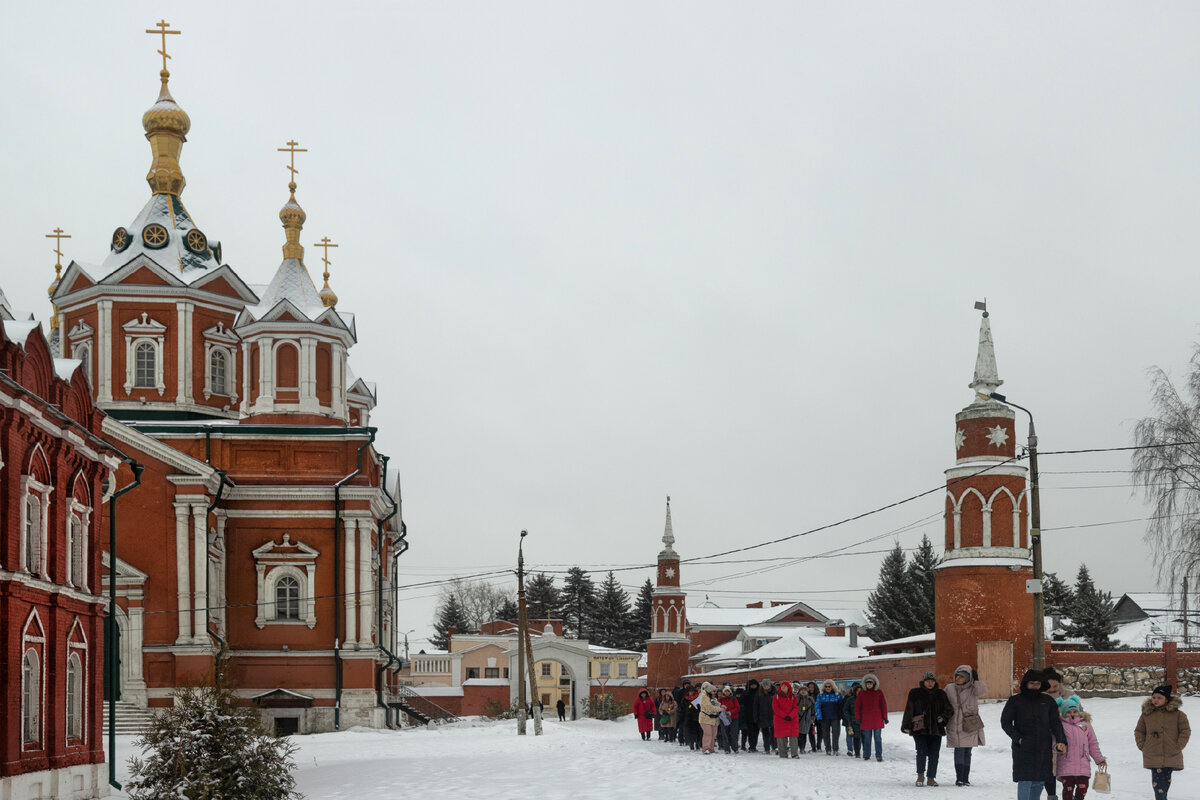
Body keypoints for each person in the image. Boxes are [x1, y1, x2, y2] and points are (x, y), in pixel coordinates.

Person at [1001, 670, 1067, 800]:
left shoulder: (1048, 701)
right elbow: (1005, 722)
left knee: (1039, 780)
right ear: (1026, 683)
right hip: (1023, 747)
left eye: (1038, 684)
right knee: (1025, 779)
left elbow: (1056, 723)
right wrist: (1018, 738)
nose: (1035, 686)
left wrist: (1061, 740)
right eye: (1032, 683)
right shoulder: (1015, 700)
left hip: (1043, 746)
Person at [1134, 684, 1191, 800]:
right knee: (1158, 785)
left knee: (1165, 783)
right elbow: (1139, 731)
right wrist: (1143, 746)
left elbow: (1185, 731)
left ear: (1166, 699)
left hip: (1171, 753)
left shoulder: (1178, 715)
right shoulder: (1146, 714)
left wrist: (1178, 746)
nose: (1155, 700)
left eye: (1159, 698)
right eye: (1154, 697)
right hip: (1152, 753)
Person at [902, 671, 952, 787]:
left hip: (936, 730)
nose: (930, 683)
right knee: (921, 752)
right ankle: (920, 776)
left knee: (934, 754)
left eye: (932, 681)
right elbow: (909, 710)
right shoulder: (915, 693)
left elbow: (949, 710)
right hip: (920, 729)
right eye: (928, 681)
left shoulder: (941, 694)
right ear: (923, 682)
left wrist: (942, 718)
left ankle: (931, 778)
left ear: (935, 682)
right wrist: (906, 726)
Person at [1055, 696, 1105, 800]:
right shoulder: (1060, 725)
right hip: (1066, 765)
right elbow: (1054, 741)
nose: (1072, 714)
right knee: (1067, 790)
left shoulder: (1086, 725)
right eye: (1068, 712)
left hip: (1083, 765)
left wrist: (1099, 759)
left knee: (1083, 789)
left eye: (1074, 711)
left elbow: (1093, 744)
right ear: (1063, 713)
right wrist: (1058, 747)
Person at [945, 664, 988, 787]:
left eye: (962, 677)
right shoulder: (949, 688)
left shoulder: (973, 688)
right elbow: (943, 702)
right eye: (957, 676)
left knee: (968, 752)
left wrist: (977, 680)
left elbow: (982, 692)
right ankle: (959, 778)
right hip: (955, 724)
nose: (958, 678)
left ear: (968, 678)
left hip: (970, 724)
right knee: (959, 751)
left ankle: (966, 778)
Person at [1042, 667, 1071, 800]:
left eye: (1056, 685)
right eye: (1049, 686)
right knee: (1050, 768)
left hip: (1069, 737)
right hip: (1047, 738)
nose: (1053, 689)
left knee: (1069, 768)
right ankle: (1051, 795)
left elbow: (1079, 714)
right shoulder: (1039, 698)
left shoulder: (1069, 695)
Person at [856, 673, 888, 762]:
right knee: (867, 739)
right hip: (866, 720)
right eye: (867, 683)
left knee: (878, 739)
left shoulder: (879, 692)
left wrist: (885, 717)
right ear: (865, 684)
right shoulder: (861, 693)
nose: (869, 685)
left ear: (874, 684)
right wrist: (858, 717)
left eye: (871, 683)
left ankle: (879, 755)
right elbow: (857, 706)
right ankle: (866, 754)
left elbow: (883, 705)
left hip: (877, 719)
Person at [773, 681, 801, 758]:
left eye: (785, 686)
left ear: (788, 688)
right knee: (781, 738)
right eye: (782, 686)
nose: (783, 688)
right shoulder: (776, 697)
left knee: (793, 738)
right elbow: (775, 708)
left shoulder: (793, 697)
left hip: (792, 720)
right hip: (780, 720)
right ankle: (783, 754)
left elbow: (796, 708)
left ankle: (794, 754)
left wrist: (791, 716)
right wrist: (784, 716)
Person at [816, 679, 844, 755]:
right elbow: (817, 706)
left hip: (835, 717)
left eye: (829, 686)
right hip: (824, 718)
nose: (827, 688)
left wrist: (841, 715)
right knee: (825, 734)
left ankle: (835, 749)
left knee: (836, 733)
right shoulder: (820, 695)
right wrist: (819, 716)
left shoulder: (837, 695)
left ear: (832, 687)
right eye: (826, 686)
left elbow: (841, 706)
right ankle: (828, 749)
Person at [699, 681, 724, 754]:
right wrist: (720, 709)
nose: (715, 692)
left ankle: (711, 748)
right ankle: (705, 748)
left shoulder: (712, 697)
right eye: (713, 691)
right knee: (708, 733)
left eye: (715, 691)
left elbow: (716, 703)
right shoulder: (704, 697)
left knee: (713, 734)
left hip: (714, 719)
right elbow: (709, 707)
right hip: (705, 718)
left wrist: (721, 706)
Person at [755, 679, 777, 754]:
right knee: (765, 734)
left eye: (767, 685)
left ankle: (775, 747)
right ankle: (766, 748)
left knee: (774, 733)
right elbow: (756, 706)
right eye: (764, 686)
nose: (766, 687)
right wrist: (756, 717)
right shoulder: (759, 694)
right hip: (763, 716)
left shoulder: (775, 693)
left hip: (773, 716)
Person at [842, 683, 863, 758]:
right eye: (857, 690)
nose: (858, 692)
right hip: (851, 721)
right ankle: (851, 750)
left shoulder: (864, 699)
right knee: (851, 736)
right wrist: (849, 718)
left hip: (862, 721)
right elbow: (845, 709)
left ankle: (858, 752)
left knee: (860, 737)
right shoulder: (849, 698)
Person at [795, 683, 817, 754]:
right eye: (802, 690)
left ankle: (802, 748)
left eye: (805, 690)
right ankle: (798, 747)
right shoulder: (795, 699)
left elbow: (813, 711)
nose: (803, 691)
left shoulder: (810, 700)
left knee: (804, 735)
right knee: (798, 735)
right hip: (797, 720)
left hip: (806, 720)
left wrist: (812, 719)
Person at [740, 680, 760, 751]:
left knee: (756, 732)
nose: (753, 686)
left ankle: (754, 745)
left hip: (757, 715)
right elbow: (741, 701)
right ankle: (752, 746)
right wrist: (745, 696)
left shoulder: (759, 692)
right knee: (750, 732)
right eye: (752, 685)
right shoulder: (746, 692)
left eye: (755, 685)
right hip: (748, 715)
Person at [719, 685, 740, 753]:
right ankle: (726, 748)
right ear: (723, 692)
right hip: (724, 719)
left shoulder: (734, 699)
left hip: (733, 718)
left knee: (733, 734)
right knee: (725, 734)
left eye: (728, 691)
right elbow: (717, 707)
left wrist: (730, 712)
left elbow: (737, 708)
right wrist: (722, 711)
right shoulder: (720, 699)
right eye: (725, 691)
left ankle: (735, 748)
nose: (727, 692)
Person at [805, 681, 821, 753]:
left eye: (812, 687)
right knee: (810, 732)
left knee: (820, 732)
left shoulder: (819, 695)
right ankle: (813, 747)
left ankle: (819, 745)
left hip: (818, 715)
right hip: (810, 715)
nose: (811, 688)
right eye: (809, 687)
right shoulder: (806, 696)